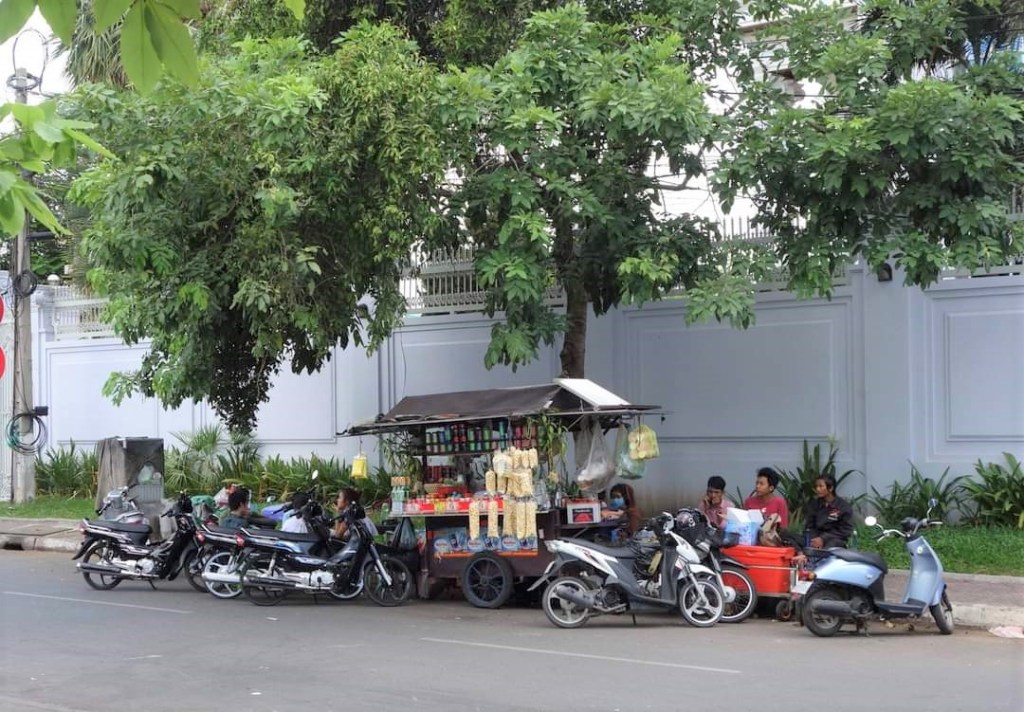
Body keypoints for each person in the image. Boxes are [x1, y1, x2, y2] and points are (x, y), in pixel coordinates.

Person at [803, 474, 854, 549]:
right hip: (815, 537)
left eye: (821, 486)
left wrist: (823, 538)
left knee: (829, 546)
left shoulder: (843, 506)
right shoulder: (814, 504)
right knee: (791, 538)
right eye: (816, 486)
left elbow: (845, 530)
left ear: (830, 488)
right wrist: (814, 539)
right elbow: (809, 526)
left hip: (834, 539)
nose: (817, 489)